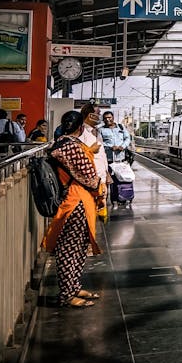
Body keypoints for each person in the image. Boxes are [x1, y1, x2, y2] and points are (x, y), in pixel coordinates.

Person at [42, 110, 104, 308]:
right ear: (81, 127)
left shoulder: (59, 143)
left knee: (76, 248)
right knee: (70, 249)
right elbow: (90, 178)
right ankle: (67, 295)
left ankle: (74, 287)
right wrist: (99, 192)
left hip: (71, 200)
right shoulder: (74, 148)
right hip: (76, 202)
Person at [78, 103, 111, 200]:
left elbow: (101, 154)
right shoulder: (80, 132)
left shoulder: (97, 132)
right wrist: (90, 150)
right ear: (91, 115)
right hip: (90, 181)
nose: (100, 116)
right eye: (98, 113)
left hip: (101, 179)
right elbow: (79, 155)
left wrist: (106, 173)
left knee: (101, 211)